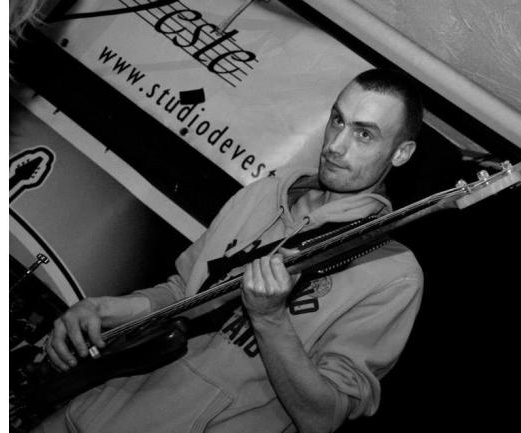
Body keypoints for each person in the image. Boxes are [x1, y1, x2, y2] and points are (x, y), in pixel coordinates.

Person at [37, 68, 425, 433]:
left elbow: (322, 418)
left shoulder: (393, 273)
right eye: (338, 120)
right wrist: (104, 309)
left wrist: (270, 319)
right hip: (88, 411)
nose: (336, 146)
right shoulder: (263, 194)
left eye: (364, 134)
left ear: (401, 153)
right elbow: (182, 293)